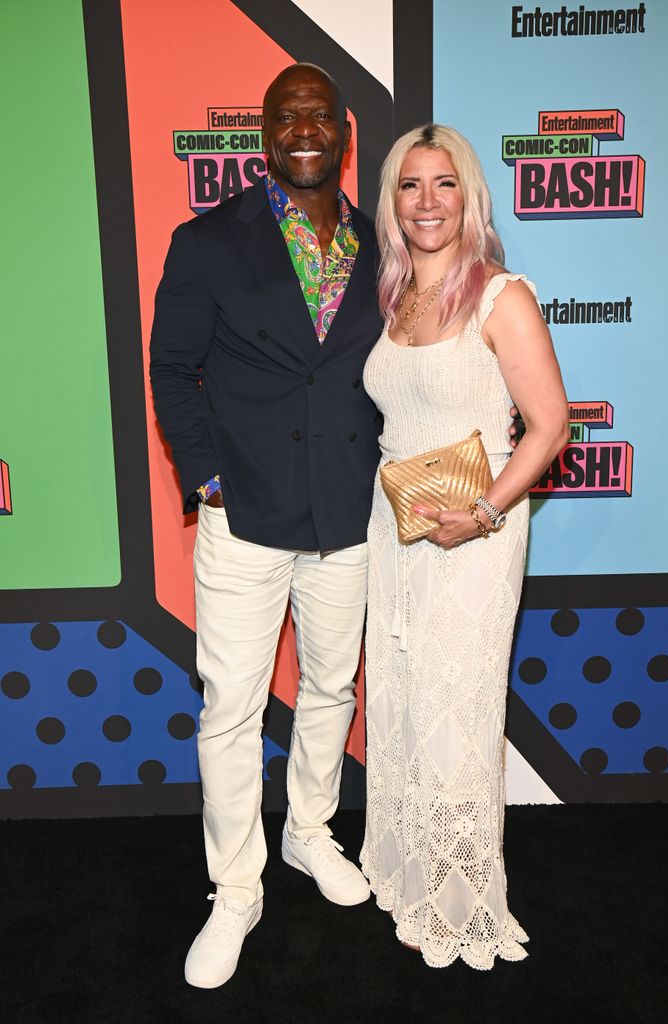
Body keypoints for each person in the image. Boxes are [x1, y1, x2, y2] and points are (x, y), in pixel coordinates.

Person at [149, 63, 384, 989]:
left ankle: (309, 834)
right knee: (231, 711)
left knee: (331, 690)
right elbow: (174, 370)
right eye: (285, 116)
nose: (302, 129)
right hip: (243, 519)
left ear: (343, 130)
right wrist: (208, 478)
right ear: (262, 132)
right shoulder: (207, 241)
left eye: (318, 116)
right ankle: (235, 888)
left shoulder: (381, 243)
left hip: (349, 515)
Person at [360, 124, 568, 970]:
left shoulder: (500, 296)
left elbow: (548, 427)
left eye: (444, 184)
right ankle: (409, 873)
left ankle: (458, 899)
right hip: (400, 530)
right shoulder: (395, 293)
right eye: (409, 186)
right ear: (391, 202)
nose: (426, 203)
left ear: (470, 195)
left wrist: (479, 514)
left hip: (472, 534)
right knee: (404, 702)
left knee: (455, 710)